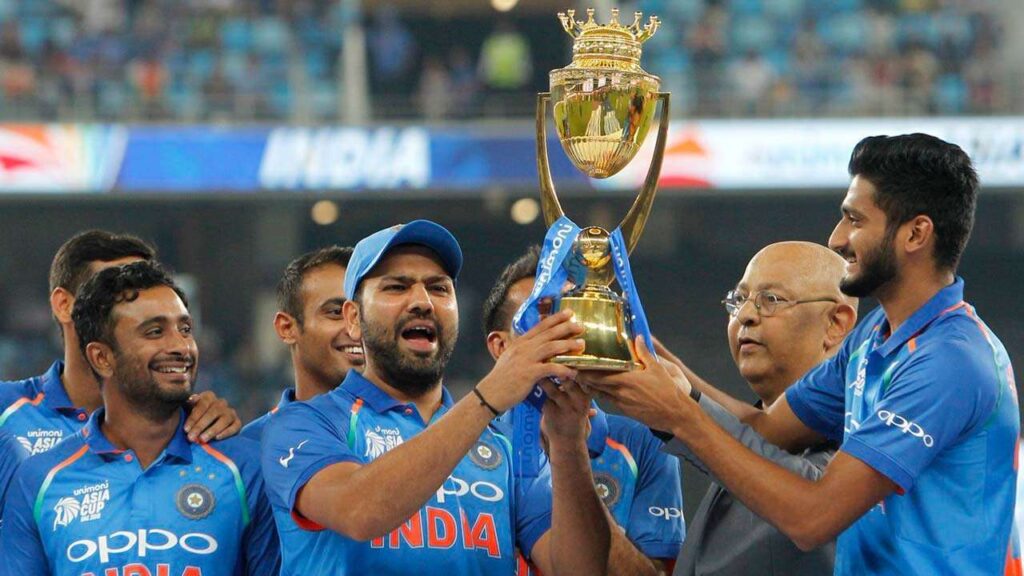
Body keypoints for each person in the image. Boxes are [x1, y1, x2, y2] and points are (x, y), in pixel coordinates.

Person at [583, 134, 1019, 574]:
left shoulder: (950, 361)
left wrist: (680, 414)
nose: (838, 238)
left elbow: (813, 518)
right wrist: (647, 358)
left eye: (855, 220)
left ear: (915, 233)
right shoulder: (874, 335)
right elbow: (764, 427)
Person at [261, 220, 610, 575]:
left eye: (439, 288)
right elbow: (360, 512)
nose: (422, 302)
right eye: (396, 287)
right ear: (353, 318)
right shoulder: (301, 424)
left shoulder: (505, 444)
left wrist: (568, 445)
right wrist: (489, 396)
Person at [0, 262, 279, 575]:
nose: (180, 346)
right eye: (155, 332)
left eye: (185, 329)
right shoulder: (39, 480)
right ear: (102, 357)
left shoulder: (246, 469)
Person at [482, 246, 685, 575]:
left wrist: (569, 451)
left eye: (574, 311)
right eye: (544, 312)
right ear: (501, 346)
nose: (564, 327)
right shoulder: (471, 449)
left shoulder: (646, 443)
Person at [668, 241, 857, 575]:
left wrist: (681, 409)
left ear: (835, 323)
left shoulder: (857, 422)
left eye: (771, 300)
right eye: (739, 299)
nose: (745, 315)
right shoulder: (747, 434)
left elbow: (815, 507)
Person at [0, 230, 240, 459]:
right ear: (64, 304)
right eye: (111, 288)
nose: (140, 307)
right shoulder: (7, 414)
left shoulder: (196, 425)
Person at [242, 246, 363, 440]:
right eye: (335, 312)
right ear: (287, 328)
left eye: (365, 314)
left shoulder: (417, 432)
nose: (357, 329)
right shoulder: (252, 445)